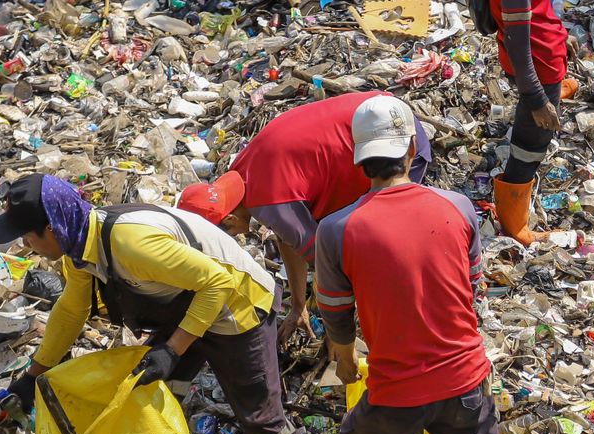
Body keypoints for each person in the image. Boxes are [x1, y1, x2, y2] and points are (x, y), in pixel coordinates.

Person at [0, 174, 329, 434]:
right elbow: (72, 310)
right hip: (188, 306)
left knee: (264, 424)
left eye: (28, 235)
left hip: (238, 310)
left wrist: (173, 349)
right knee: (150, 395)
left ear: (53, 228)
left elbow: (218, 283)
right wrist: (33, 376)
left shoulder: (128, 243)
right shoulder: (80, 247)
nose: (27, 245)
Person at [315, 96, 541, 434]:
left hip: (398, 393)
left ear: (358, 156)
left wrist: (346, 359)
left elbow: (336, 312)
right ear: (413, 146)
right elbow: (473, 282)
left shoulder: (336, 230)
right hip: (466, 380)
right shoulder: (457, 206)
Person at [176, 91, 433, 343]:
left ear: (230, 220)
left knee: (383, 239)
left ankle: (408, 317)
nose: (236, 237)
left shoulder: (271, 203)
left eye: (228, 235)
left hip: (394, 139)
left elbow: (330, 265)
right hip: (372, 114)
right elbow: (289, 239)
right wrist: (299, 305)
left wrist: (339, 335)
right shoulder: (242, 173)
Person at [485, 0, 583, 246]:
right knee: (530, 144)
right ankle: (515, 225)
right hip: (536, 66)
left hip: (547, 52)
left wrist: (560, 33)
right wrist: (539, 99)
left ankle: (555, 92)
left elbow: (534, 9)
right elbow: (518, 42)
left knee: (544, 108)